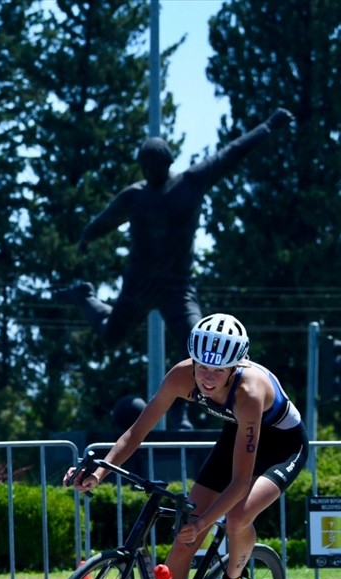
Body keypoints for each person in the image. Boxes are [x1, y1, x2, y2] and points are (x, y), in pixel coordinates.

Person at [66, 313, 307, 579]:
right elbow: (137, 431)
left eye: (218, 370)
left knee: (237, 516)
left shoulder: (248, 392)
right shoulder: (181, 376)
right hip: (236, 437)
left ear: (235, 367)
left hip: (282, 447)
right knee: (184, 537)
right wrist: (101, 471)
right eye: (202, 367)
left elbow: (241, 483)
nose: (207, 377)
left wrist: (207, 521)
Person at [56, 109, 295, 429]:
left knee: (202, 345)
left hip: (177, 286)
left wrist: (267, 125)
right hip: (140, 283)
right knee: (111, 336)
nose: (151, 172)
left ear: (168, 163)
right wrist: (87, 236)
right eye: (146, 167)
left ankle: (181, 411)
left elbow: (231, 153)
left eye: (156, 166)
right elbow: (105, 220)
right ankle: (86, 296)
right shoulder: (135, 196)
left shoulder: (191, 183)